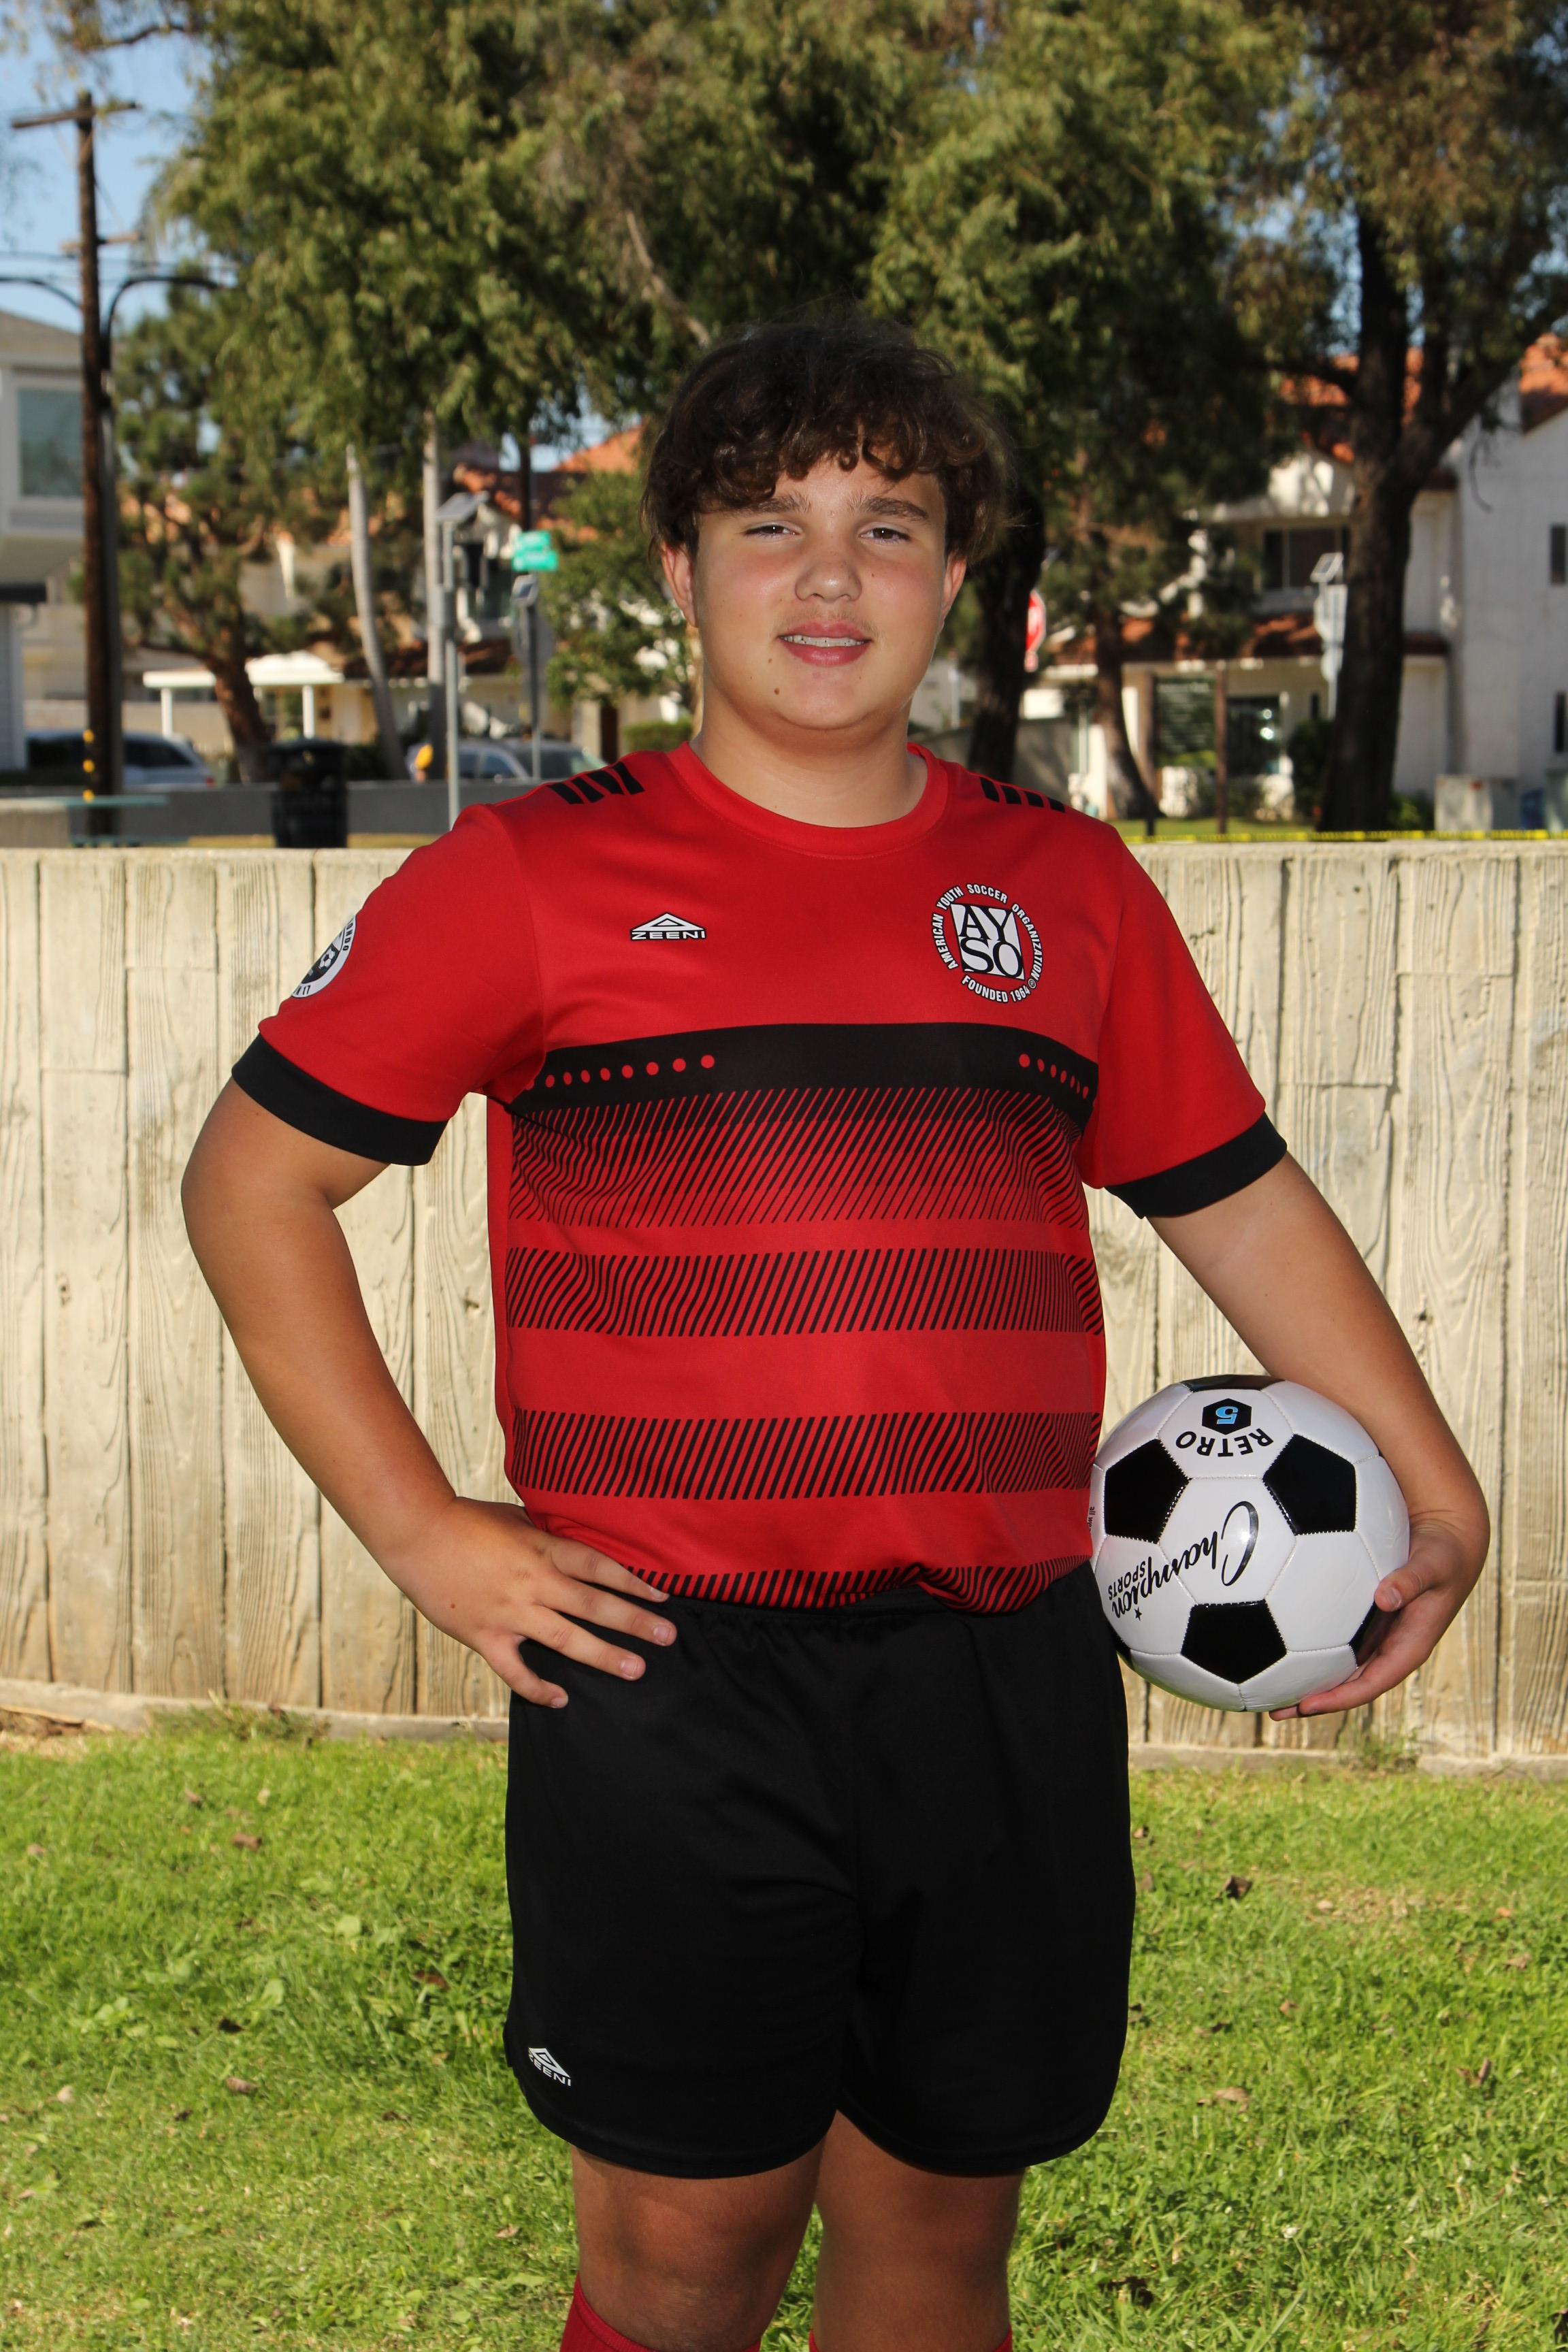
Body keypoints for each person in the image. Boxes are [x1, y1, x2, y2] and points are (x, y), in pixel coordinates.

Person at [182, 310, 1488, 2352]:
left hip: (1003, 1669)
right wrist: (426, 1533)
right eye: (766, 524)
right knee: (685, 2254)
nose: (826, 576)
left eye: (886, 526)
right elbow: (252, 1185)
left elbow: (1234, 1194)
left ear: (955, 574)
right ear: (679, 567)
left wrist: (1434, 1483)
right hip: (674, 1678)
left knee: (941, 2242)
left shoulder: (1063, 888)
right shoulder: (536, 874)